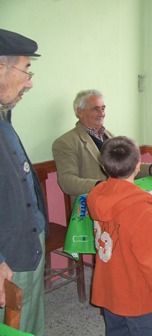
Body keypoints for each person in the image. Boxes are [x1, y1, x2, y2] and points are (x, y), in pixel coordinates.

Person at [86, 136, 152, 336]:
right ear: (138, 166)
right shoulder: (142, 210)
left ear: (104, 167)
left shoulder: (96, 196)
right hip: (136, 294)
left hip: (109, 288)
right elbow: (150, 259)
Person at [0, 28, 46, 335]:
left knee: (28, 322)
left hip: (25, 243)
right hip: (9, 255)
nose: (29, 82)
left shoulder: (4, 116)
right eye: (25, 70)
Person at [52, 89, 152, 205]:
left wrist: (150, 168)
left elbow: (124, 167)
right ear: (80, 112)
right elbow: (67, 182)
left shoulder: (110, 136)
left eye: (103, 108)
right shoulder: (65, 143)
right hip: (90, 208)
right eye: (96, 109)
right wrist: (103, 186)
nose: (102, 113)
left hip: (118, 200)